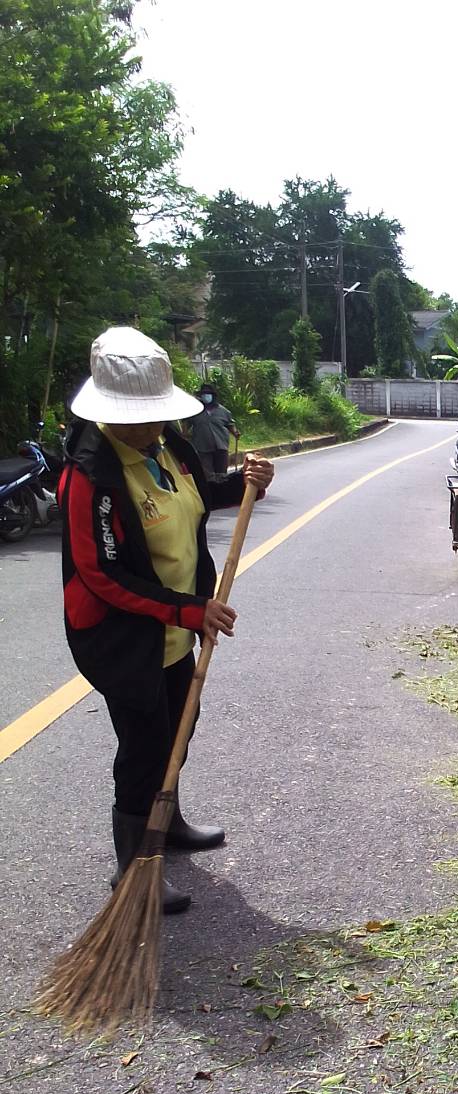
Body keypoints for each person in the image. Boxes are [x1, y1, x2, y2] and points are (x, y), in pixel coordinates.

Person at [59, 327, 275, 914]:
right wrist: (188, 610)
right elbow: (98, 573)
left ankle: (170, 820)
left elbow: (201, 496)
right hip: (122, 635)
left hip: (179, 622)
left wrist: (244, 485)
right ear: (110, 414)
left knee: (182, 720)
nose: (155, 426)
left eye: (158, 415)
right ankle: (134, 868)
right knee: (144, 742)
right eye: (142, 417)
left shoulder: (170, 447)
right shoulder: (91, 475)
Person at [186, 382, 238, 476]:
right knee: (207, 474)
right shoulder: (195, 411)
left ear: (213, 396)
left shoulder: (223, 411)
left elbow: (230, 424)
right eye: (203, 394)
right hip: (202, 447)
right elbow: (186, 425)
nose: (206, 396)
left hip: (221, 447)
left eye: (208, 394)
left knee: (222, 473)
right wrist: (185, 434)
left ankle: (222, 489)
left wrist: (235, 432)